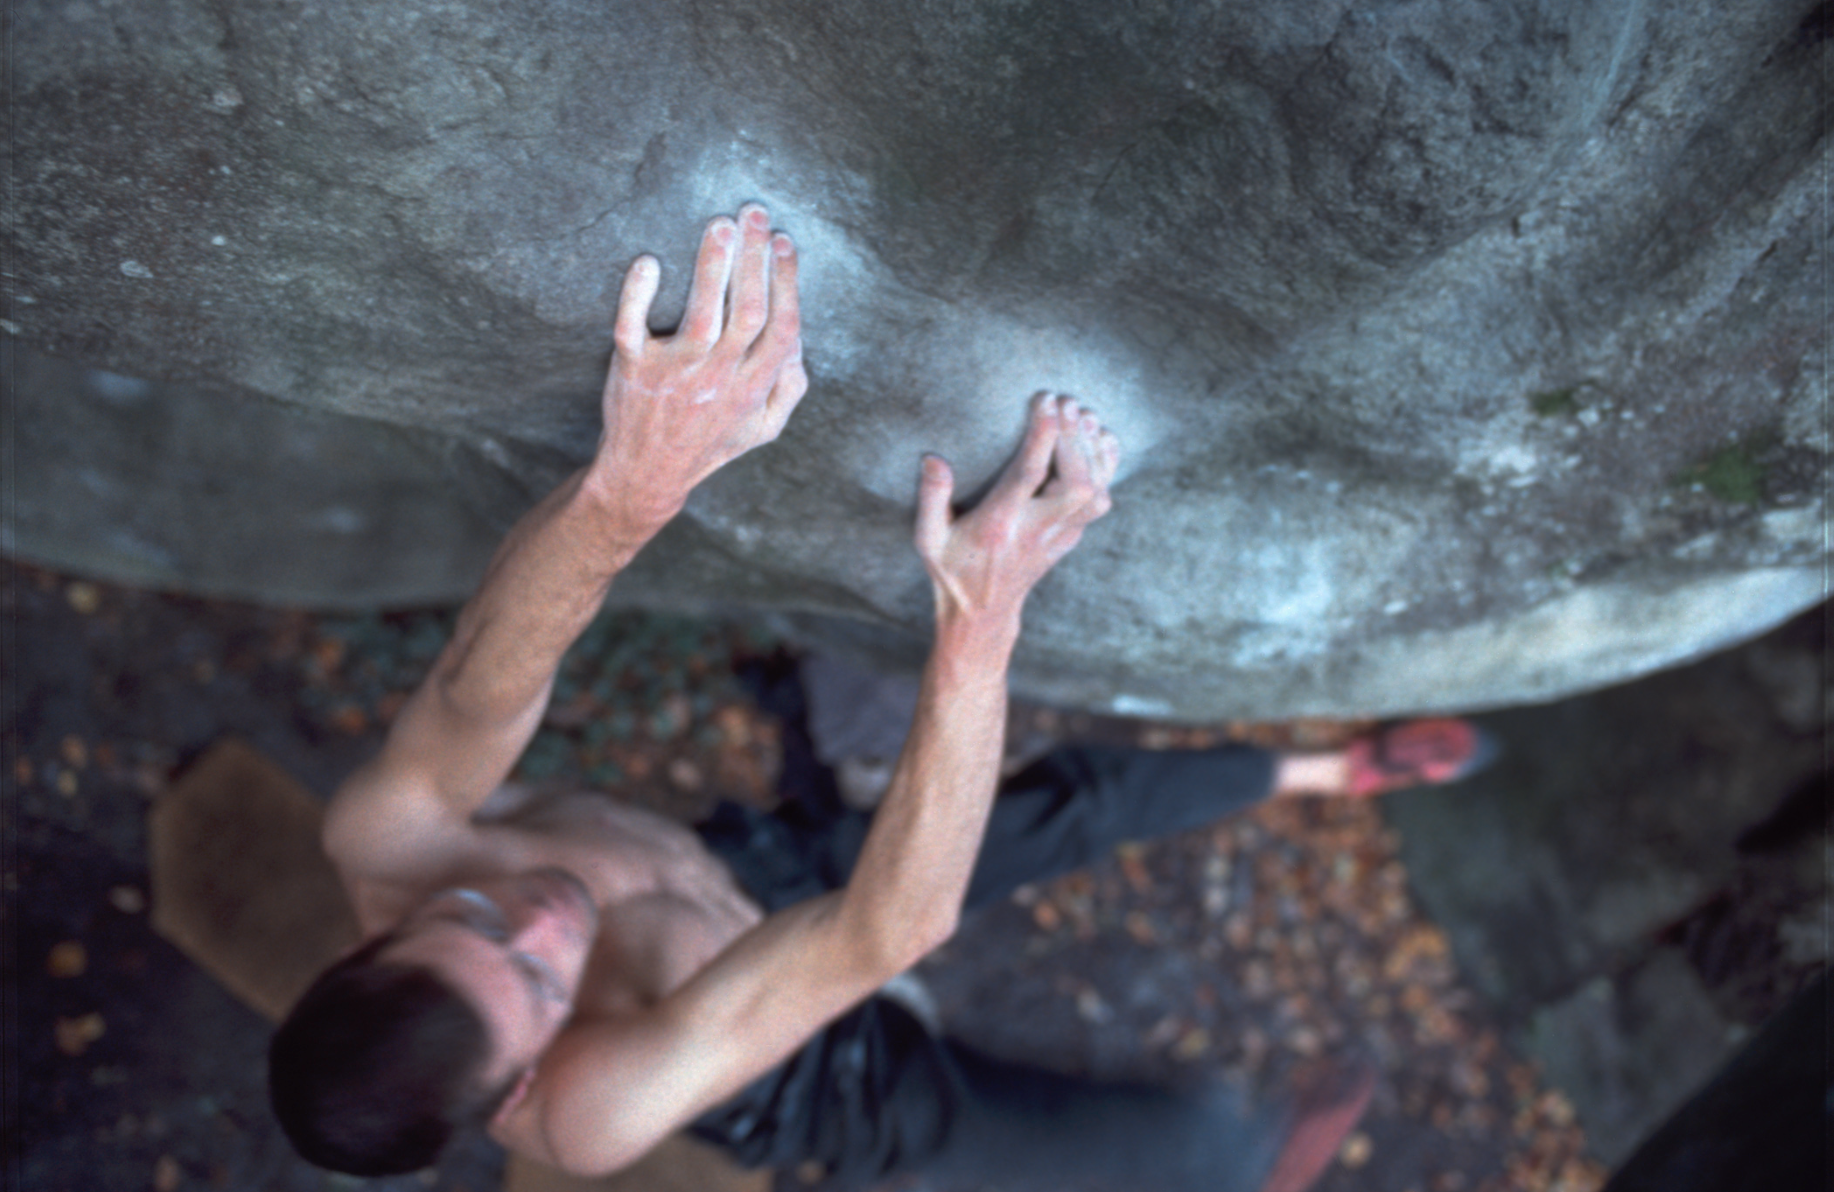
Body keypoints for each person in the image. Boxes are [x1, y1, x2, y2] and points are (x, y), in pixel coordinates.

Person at [268, 205, 1492, 1191]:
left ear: (376, 939)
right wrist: (979, 621)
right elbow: (881, 935)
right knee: (1075, 1133)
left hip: (743, 867)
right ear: (522, 1082)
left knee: (1064, 801)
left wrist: (628, 487)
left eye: (478, 919)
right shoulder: (590, 1107)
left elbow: (486, 679)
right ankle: (1240, 1164)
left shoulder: (390, 839)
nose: (542, 918)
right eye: (539, 985)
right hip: (791, 1060)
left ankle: (1328, 770)